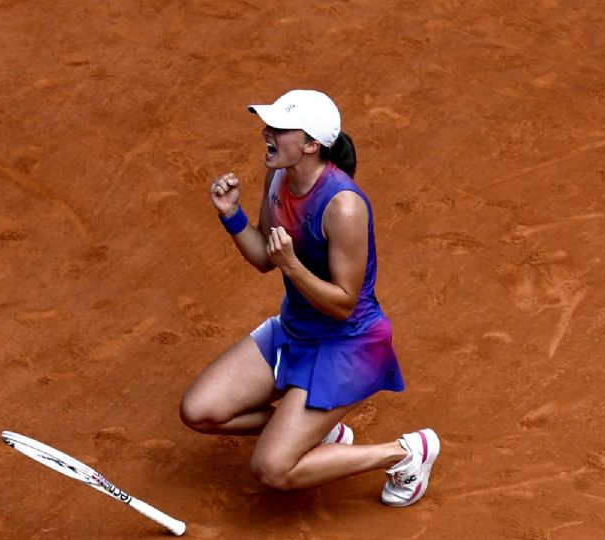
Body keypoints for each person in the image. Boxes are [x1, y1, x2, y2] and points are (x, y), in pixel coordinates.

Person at [179, 89, 439, 506]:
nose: (266, 132)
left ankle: (407, 454)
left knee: (272, 469)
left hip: (348, 344)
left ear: (311, 145)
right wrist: (231, 214)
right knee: (200, 411)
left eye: (281, 128)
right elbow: (266, 257)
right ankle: (312, 430)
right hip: (296, 331)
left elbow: (343, 303)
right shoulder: (278, 178)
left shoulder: (344, 206)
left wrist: (293, 266)